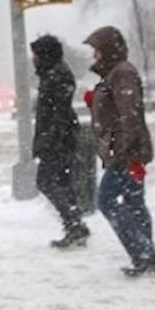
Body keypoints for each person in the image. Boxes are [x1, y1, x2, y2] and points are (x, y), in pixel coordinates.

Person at [83, 26, 155, 277]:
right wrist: (94, 101)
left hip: (125, 153)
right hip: (127, 151)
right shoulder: (116, 74)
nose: (94, 55)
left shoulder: (122, 74)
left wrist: (127, 154)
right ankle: (148, 257)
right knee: (134, 203)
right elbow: (117, 108)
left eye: (96, 49)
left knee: (105, 201)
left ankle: (143, 254)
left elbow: (130, 115)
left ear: (106, 49)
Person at [30, 35, 90, 248]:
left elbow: (58, 113)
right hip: (59, 139)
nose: (33, 59)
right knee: (62, 183)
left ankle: (74, 223)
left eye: (36, 55)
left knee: (46, 181)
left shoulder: (56, 76)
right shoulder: (53, 74)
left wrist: (47, 141)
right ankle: (75, 225)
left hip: (58, 141)